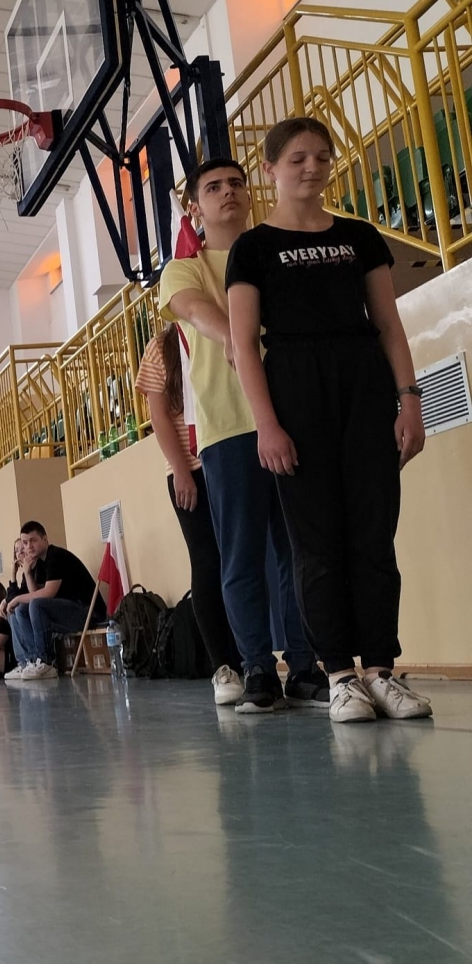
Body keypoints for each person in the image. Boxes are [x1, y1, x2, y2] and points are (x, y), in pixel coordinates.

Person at [227, 116, 432, 724]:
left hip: (364, 385)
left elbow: (389, 324)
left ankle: (381, 671)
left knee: (374, 535)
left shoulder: (359, 236)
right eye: (297, 159)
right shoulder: (252, 249)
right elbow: (243, 344)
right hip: (295, 390)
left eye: (322, 156)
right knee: (315, 545)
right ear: (270, 169)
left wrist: (409, 399)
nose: (311, 167)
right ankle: (340, 675)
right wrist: (267, 424)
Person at [159, 157, 326, 714]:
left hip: (290, 417)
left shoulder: (272, 252)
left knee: (297, 550)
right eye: (213, 187)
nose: (227, 192)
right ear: (195, 207)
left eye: (235, 183)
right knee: (240, 556)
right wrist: (236, 335)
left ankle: (303, 667)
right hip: (228, 428)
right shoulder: (183, 269)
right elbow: (196, 311)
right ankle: (256, 666)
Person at [135, 323, 245, 704]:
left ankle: (252, 659)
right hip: (191, 468)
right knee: (206, 561)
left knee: (240, 561)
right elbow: (160, 416)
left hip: (228, 457)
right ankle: (223, 666)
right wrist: (181, 469)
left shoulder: (219, 327)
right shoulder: (160, 347)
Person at [2, 521, 102, 680]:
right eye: (25, 543)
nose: (29, 547)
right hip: (67, 612)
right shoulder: (40, 562)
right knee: (21, 609)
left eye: (33, 540)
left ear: (45, 539)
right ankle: (32, 661)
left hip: (87, 612)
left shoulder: (55, 556)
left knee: (32, 604)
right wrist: (27, 573)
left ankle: (46, 662)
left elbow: (48, 593)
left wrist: (17, 598)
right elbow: (35, 595)